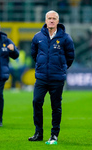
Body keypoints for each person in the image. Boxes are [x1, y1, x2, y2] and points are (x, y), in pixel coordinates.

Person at [28, 10, 75, 144]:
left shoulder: (66, 38)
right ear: (45, 20)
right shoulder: (38, 37)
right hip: (41, 78)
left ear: (58, 21)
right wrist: (41, 66)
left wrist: (61, 68)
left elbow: (70, 57)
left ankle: (54, 134)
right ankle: (38, 132)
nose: (52, 20)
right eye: (49, 18)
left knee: (56, 107)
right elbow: (34, 54)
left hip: (57, 78)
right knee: (36, 102)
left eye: (54, 18)